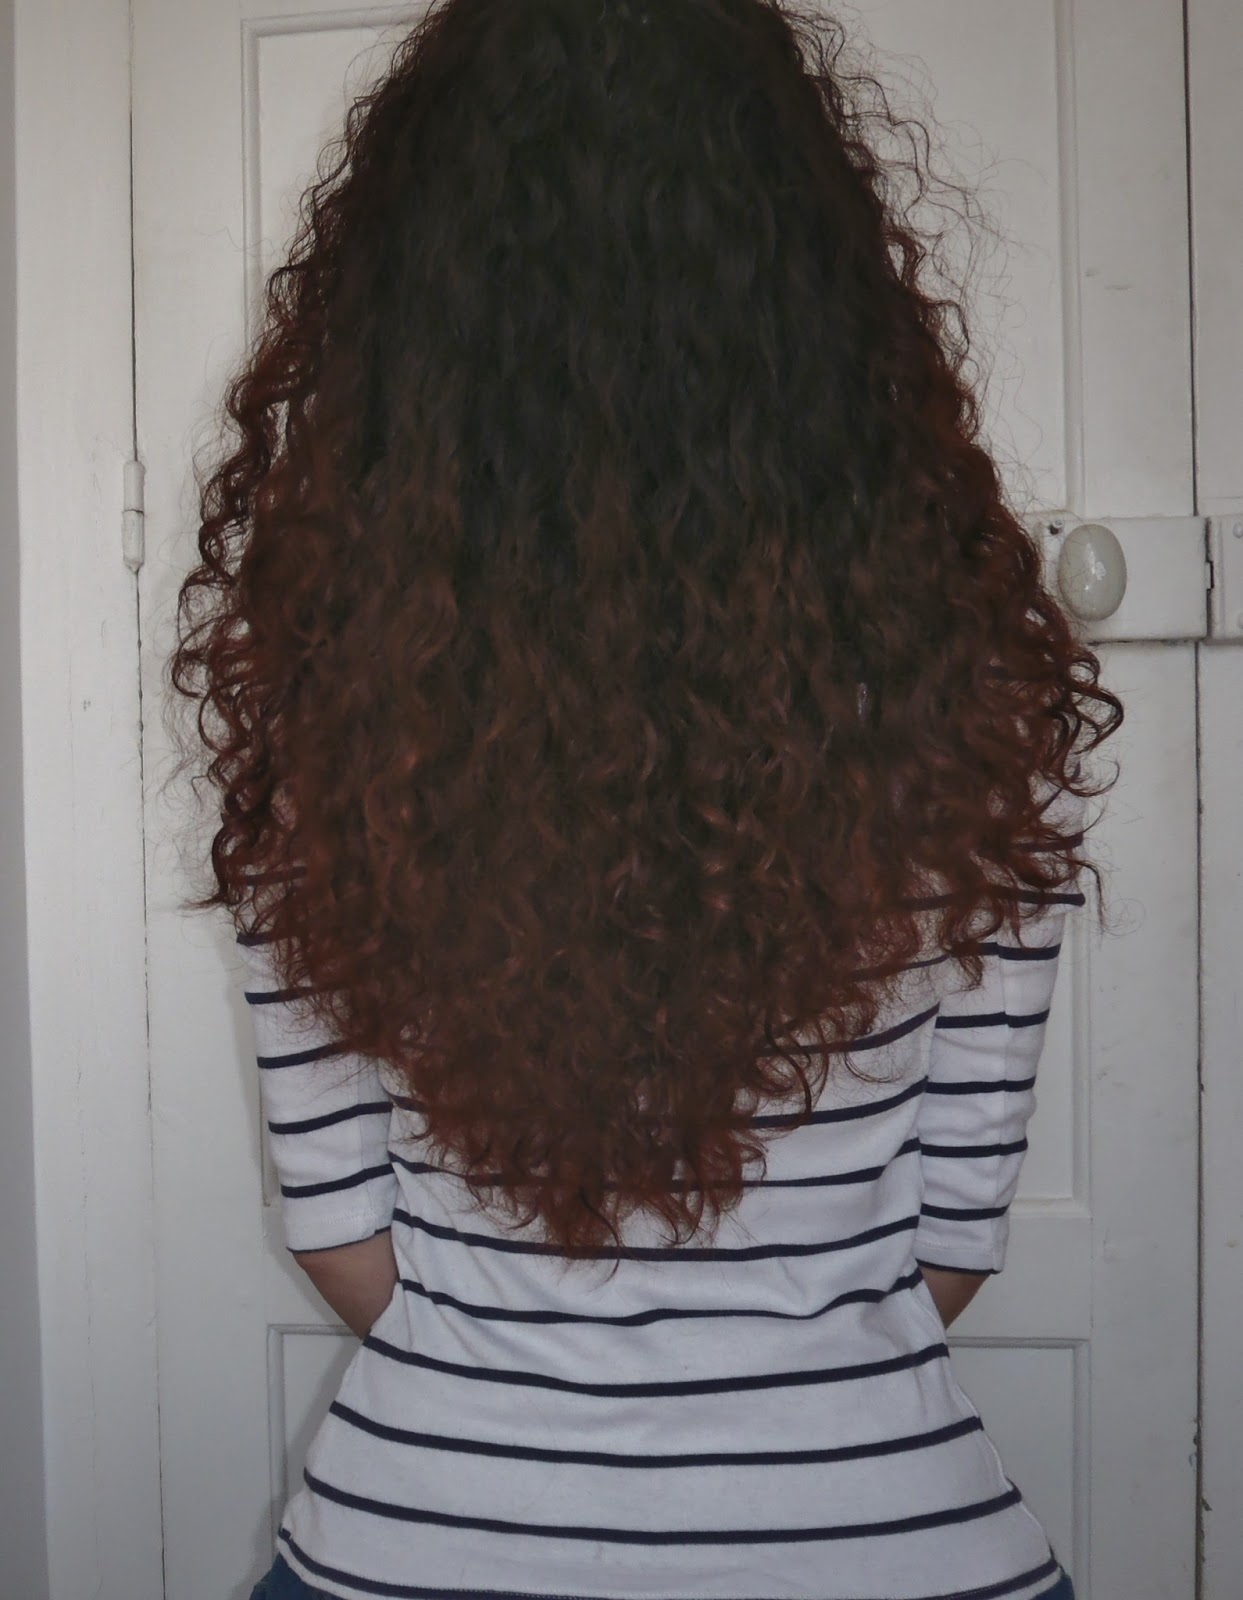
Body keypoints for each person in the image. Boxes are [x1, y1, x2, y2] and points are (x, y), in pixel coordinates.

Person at [170, 1, 1122, 1596]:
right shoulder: (975, 722)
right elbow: (951, 1245)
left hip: (427, 1537)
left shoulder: (328, 732)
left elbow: (346, 1243)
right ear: (820, 301)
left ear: (410, 315)